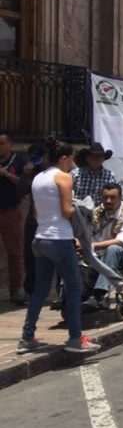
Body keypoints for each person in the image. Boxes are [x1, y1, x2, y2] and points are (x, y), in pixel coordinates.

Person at [17, 140, 101, 354]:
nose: (71, 163)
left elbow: (36, 214)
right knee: (73, 288)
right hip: (60, 238)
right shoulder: (63, 177)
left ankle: (27, 336)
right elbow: (66, 210)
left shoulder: (38, 178)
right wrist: (82, 209)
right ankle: (75, 337)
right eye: (71, 159)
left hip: (40, 238)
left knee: (41, 290)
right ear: (64, 158)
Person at [89, 183, 123, 305]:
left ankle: (100, 292)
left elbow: (122, 240)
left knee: (113, 249)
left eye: (112, 197)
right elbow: (87, 232)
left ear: (120, 198)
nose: (108, 201)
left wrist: (93, 245)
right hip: (96, 250)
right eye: (105, 197)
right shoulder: (97, 212)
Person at [0, 130, 32, 304]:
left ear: (10, 145)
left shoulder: (18, 161)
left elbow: (23, 183)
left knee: (14, 251)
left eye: (2, 144)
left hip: (10, 211)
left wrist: (6, 174)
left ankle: (16, 290)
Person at [73, 142, 115, 206]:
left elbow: (116, 195)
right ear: (86, 157)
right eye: (93, 155)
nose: (96, 158)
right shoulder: (75, 174)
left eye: (99, 156)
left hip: (102, 213)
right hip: (79, 213)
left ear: (103, 159)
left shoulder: (110, 176)